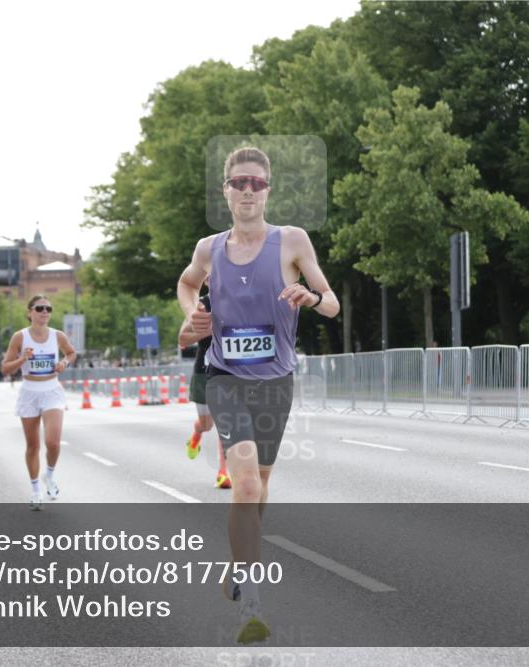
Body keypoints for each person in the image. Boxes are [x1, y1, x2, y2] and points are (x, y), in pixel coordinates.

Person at [177, 146, 340, 644]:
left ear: (267, 190)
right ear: (225, 190)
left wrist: (309, 297)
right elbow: (186, 285)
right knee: (244, 486)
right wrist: (192, 316)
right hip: (226, 379)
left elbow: (331, 303)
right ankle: (252, 600)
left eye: (257, 183)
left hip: (276, 382)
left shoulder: (292, 241)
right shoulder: (209, 249)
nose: (248, 190)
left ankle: (238, 567)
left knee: (259, 489)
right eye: (239, 182)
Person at [2, 295, 77, 510]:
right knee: (33, 445)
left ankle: (49, 475)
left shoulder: (57, 336)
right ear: (29, 312)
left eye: (48, 308)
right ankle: (35, 491)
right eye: (40, 308)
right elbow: (5, 368)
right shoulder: (19, 337)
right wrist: (23, 359)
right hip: (29, 392)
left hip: (52, 389)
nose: (45, 312)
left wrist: (63, 362)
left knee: (53, 443)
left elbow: (71, 353)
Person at [178, 288, 230, 488]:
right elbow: (182, 338)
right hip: (204, 371)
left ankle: (223, 473)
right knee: (207, 424)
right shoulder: (201, 305)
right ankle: (196, 435)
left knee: (224, 423)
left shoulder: (240, 299)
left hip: (229, 372)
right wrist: (210, 330)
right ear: (207, 280)